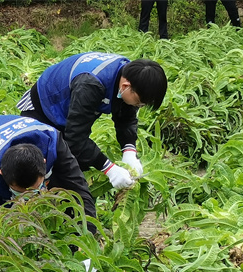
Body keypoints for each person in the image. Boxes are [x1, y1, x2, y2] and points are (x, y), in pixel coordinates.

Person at [17, 53, 168, 190]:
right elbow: (76, 138)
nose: (138, 107)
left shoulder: (128, 73)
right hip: (42, 107)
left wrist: (129, 150)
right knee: (39, 168)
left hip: (70, 111)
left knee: (74, 166)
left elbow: (126, 116)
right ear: (126, 87)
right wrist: (109, 168)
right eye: (139, 104)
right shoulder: (90, 85)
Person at [0, 115, 97, 237]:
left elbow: (80, 192)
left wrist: (87, 239)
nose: (29, 197)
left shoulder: (52, 140)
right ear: (1, 173)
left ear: (44, 162)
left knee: (62, 206)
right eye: (20, 192)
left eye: (36, 188)